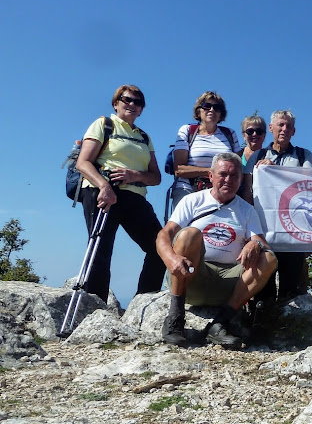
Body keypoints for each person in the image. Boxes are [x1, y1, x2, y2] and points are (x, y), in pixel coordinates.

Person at [157, 152, 278, 347]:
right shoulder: (192, 201)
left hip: (229, 284)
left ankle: (221, 323)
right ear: (211, 176)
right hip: (192, 277)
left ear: (240, 180)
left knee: (269, 258)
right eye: (223, 174)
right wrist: (171, 258)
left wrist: (255, 243)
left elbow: (264, 244)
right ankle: (175, 318)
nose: (228, 180)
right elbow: (164, 235)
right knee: (189, 234)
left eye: (234, 176)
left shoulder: (247, 210)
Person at [76, 84, 165, 303]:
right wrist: (104, 187)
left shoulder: (144, 137)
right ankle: (95, 310)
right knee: (101, 251)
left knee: (161, 247)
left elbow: (156, 177)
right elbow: (83, 162)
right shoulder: (104, 125)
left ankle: (142, 302)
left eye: (138, 102)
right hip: (102, 192)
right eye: (127, 100)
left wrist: (136, 175)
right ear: (116, 103)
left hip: (134, 196)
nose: (132, 105)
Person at [242, 110, 312, 301]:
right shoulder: (258, 155)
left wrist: (276, 170)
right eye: (280, 125)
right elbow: (247, 192)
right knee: (262, 289)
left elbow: (309, 183)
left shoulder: (303, 154)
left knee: (290, 291)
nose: (284, 129)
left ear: (294, 131)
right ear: (271, 128)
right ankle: (260, 325)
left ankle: (288, 328)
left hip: (293, 231)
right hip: (263, 228)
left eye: (288, 126)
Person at [171, 91, 241, 210]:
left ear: (221, 113)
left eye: (216, 107)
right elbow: (179, 169)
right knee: (185, 228)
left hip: (222, 193)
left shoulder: (230, 134)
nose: (211, 110)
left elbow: (238, 167)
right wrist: (211, 172)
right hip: (188, 189)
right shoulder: (187, 131)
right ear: (199, 110)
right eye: (207, 106)